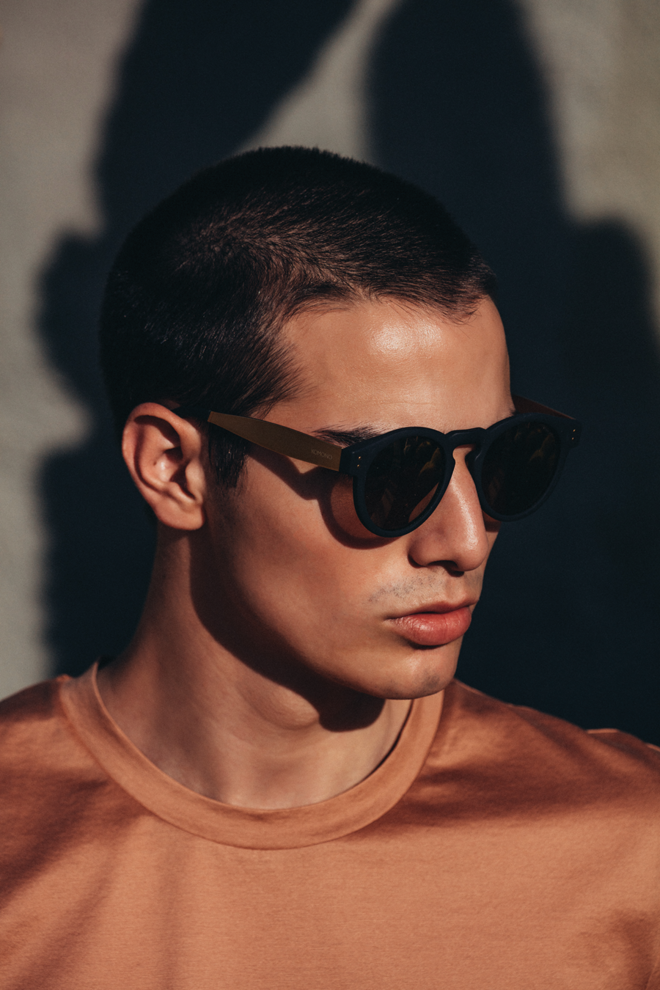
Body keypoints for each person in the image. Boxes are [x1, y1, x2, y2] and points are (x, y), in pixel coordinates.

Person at [1, 147, 659, 989]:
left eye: (505, 460)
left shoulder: (630, 853)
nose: (466, 539)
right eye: (394, 474)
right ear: (174, 469)